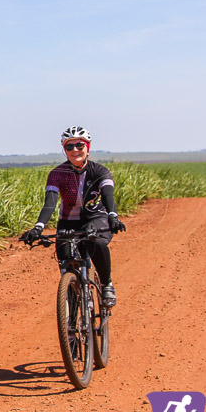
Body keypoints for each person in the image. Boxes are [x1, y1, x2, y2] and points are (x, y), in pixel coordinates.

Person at [19, 126, 126, 307]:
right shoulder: (57, 174)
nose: (75, 150)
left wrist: (113, 216)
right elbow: (50, 203)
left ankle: (107, 284)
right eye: (70, 147)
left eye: (79, 145)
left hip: (96, 219)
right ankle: (73, 313)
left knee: (96, 242)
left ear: (87, 148)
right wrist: (38, 227)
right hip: (69, 221)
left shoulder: (99, 171)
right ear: (64, 149)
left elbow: (108, 196)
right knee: (67, 261)